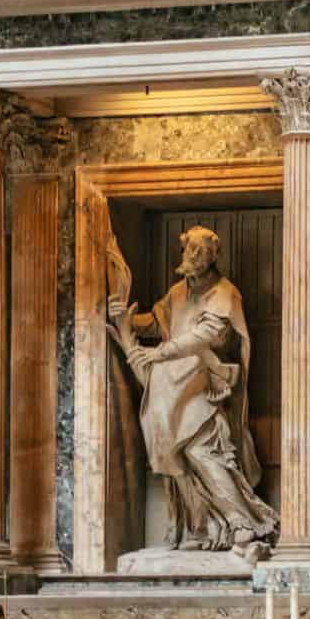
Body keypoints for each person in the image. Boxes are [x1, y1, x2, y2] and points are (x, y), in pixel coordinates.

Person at [108, 226, 278, 559]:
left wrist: (159, 353)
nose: (194, 256)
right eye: (190, 250)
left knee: (205, 452)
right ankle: (200, 526)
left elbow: (204, 335)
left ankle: (242, 522)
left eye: (201, 252)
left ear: (214, 256)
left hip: (203, 384)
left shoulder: (224, 293)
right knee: (177, 457)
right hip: (171, 387)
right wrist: (126, 317)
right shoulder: (178, 292)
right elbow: (158, 322)